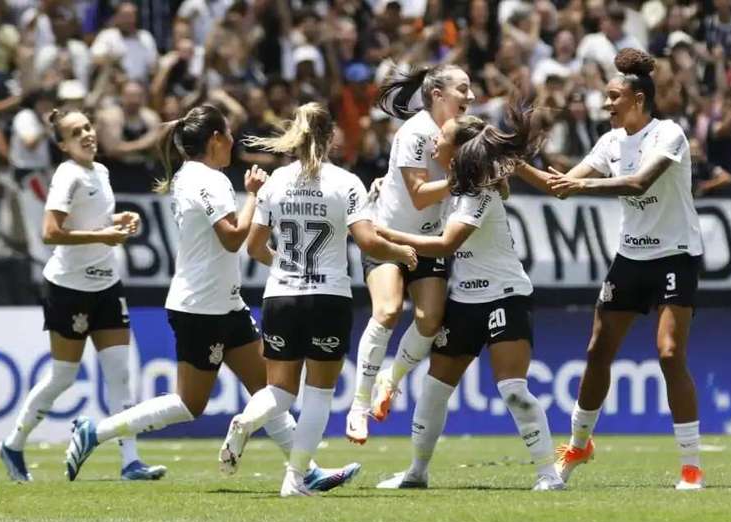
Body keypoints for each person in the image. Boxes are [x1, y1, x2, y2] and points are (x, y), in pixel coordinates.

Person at [63, 105, 361, 492]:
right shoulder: (208, 180)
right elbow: (233, 237)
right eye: (229, 135)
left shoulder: (197, 176)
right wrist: (253, 195)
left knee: (269, 391)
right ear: (215, 140)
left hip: (226, 302)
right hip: (200, 307)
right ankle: (95, 431)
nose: (234, 143)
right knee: (190, 404)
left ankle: (304, 470)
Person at [515, 48, 705, 490]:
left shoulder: (669, 134)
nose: (605, 104)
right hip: (630, 259)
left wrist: (582, 183)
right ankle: (579, 444)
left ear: (638, 99)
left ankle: (691, 465)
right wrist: (513, 163)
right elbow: (562, 187)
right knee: (598, 351)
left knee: (670, 354)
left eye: (613, 96)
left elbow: (639, 182)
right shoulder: (609, 142)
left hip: (675, 255)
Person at [217, 102, 417, 497]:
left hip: (281, 297)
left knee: (279, 393)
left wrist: (284, 265)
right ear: (331, 137)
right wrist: (401, 254)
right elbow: (367, 241)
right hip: (327, 297)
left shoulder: (275, 182)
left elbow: (255, 248)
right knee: (318, 395)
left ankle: (244, 421)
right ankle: (294, 480)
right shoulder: (346, 182)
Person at [373, 111, 564, 491]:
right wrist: (387, 186)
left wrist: (385, 233)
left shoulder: (479, 191)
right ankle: (416, 472)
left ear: (460, 149)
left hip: (504, 297)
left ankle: (548, 474)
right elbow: (417, 196)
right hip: (464, 302)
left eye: (441, 138)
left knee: (513, 389)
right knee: (432, 390)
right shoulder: (453, 186)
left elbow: (446, 245)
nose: (433, 144)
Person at [0, 108, 166, 482]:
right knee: (63, 376)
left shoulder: (100, 172)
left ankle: (130, 462)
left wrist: (118, 221)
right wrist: (103, 236)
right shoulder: (66, 175)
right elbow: (50, 232)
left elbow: (92, 222)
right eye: (76, 133)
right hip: (69, 287)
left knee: (121, 375)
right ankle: (14, 443)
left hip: (106, 284)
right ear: (63, 145)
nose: (87, 135)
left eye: (88, 127)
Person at [346, 63, 475, 445]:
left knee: (430, 320)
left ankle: (391, 379)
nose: (470, 97)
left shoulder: (463, 133)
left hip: (427, 239)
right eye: (463, 89)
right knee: (386, 311)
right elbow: (418, 194)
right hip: (387, 235)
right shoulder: (415, 132)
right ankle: (358, 406)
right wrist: (460, 179)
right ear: (438, 95)